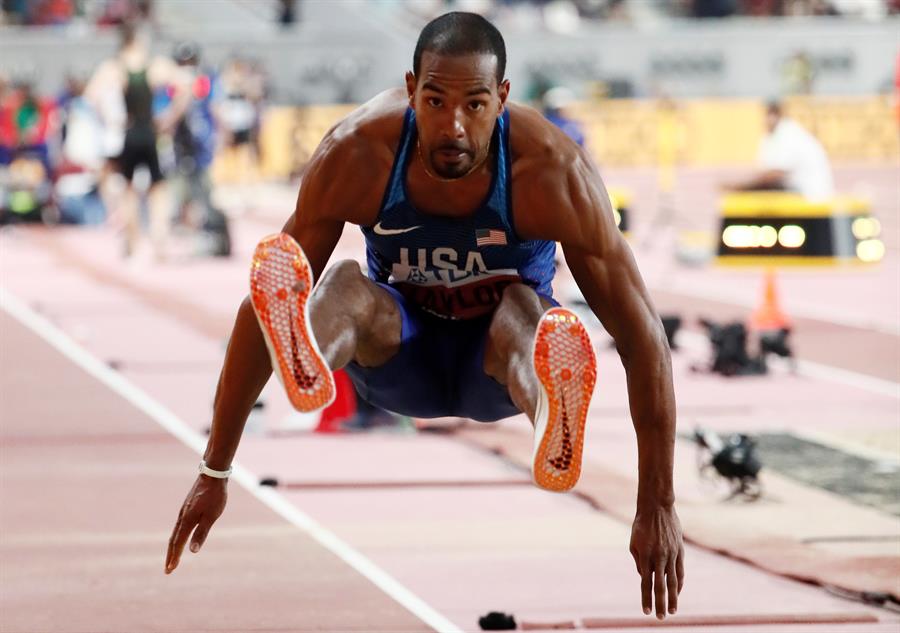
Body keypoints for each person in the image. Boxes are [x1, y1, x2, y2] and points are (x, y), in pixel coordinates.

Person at [165, 12, 683, 620]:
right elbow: (259, 308)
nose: (453, 126)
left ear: (503, 99)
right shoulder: (358, 154)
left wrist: (658, 503)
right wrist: (215, 466)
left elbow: (643, 336)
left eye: (474, 104)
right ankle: (308, 355)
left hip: (494, 363)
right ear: (411, 89)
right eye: (435, 101)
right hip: (398, 350)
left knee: (524, 307)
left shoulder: (550, 171)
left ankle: (550, 413)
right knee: (340, 282)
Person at [85, 21, 191, 260]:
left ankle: (133, 242)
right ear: (140, 40)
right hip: (151, 131)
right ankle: (159, 239)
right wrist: (169, 118)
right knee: (157, 188)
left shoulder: (115, 67)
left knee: (129, 190)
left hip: (129, 132)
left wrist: (111, 119)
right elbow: (186, 86)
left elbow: (91, 95)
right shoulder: (155, 65)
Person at [722, 100, 834, 201]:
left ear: (779, 115)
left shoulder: (788, 133)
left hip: (811, 195)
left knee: (759, 197)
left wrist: (741, 187)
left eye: (772, 114)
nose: (767, 119)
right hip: (797, 192)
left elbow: (774, 175)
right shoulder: (770, 137)